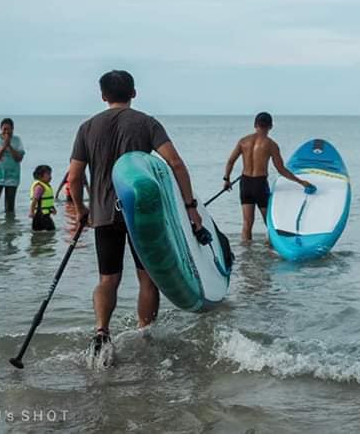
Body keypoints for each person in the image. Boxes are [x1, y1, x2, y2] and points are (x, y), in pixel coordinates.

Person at [67, 70, 203, 355]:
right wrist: (190, 207)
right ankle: (144, 335)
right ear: (134, 93)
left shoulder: (87, 127)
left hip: (104, 213)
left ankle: (102, 332)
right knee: (147, 278)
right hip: (142, 215)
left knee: (107, 279)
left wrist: (81, 210)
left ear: (103, 96)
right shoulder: (147, 123)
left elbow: (75, 177)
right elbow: (176, 163)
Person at [222, 112, 314, 241]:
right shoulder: (271, 145)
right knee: (269, 223)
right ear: (271, 126)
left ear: (255, 124)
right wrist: (300, 182)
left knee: (247, 224)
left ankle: (246, 255)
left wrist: (227, 179)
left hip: (245, 183)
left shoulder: (243, 141)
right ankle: (271, 252)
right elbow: (281, 169)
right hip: (259, 184)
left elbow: (230, 161)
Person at [0, 118, 25, 216]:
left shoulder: (17, 140)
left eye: (9, 129)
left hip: (12, 176)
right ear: (0, 129)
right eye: (4, 129)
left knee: (9, 207)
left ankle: (9, 228)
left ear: (13, 129)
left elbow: (19, 158)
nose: (7, 132)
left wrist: (9, 146)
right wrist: (3, 147)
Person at [29, 165, 56, 231]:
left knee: (46, 231)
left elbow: (47, 202)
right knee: (51, 230)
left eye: (50, 174)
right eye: (48, 174)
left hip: (45, 214)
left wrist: (53, 208)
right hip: (40, 215)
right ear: (40, 176)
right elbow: (34, 200)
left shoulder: (45, 186)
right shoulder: (40, 187)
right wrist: (31, 212)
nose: (50, 177)